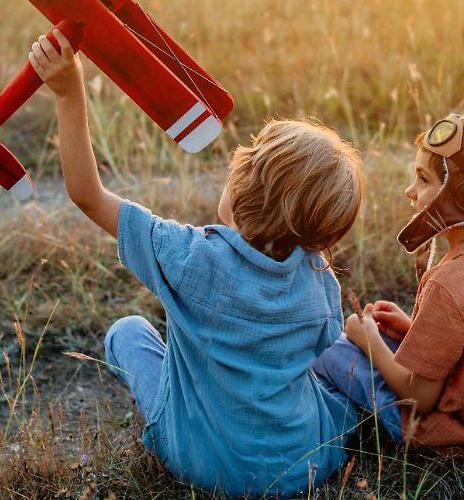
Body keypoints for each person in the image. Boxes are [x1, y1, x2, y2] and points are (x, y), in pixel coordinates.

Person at [28, 28, 363, 496]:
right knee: (339, 388)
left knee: (127, 331)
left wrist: (69, 91)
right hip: (299, 463)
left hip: (199, 462)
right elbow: (318, 349)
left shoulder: (185, 256)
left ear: (243, 188)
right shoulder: (320, 283)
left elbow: (87, 194)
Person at [312, 113, 464, 458]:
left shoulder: (450, 281)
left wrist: (368, 341)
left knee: (330, 348)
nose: (410, 191)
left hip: (456, 435)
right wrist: (411, 328)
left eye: (422, 180)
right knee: (379, 342)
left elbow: (420, 398)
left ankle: (334, 424)